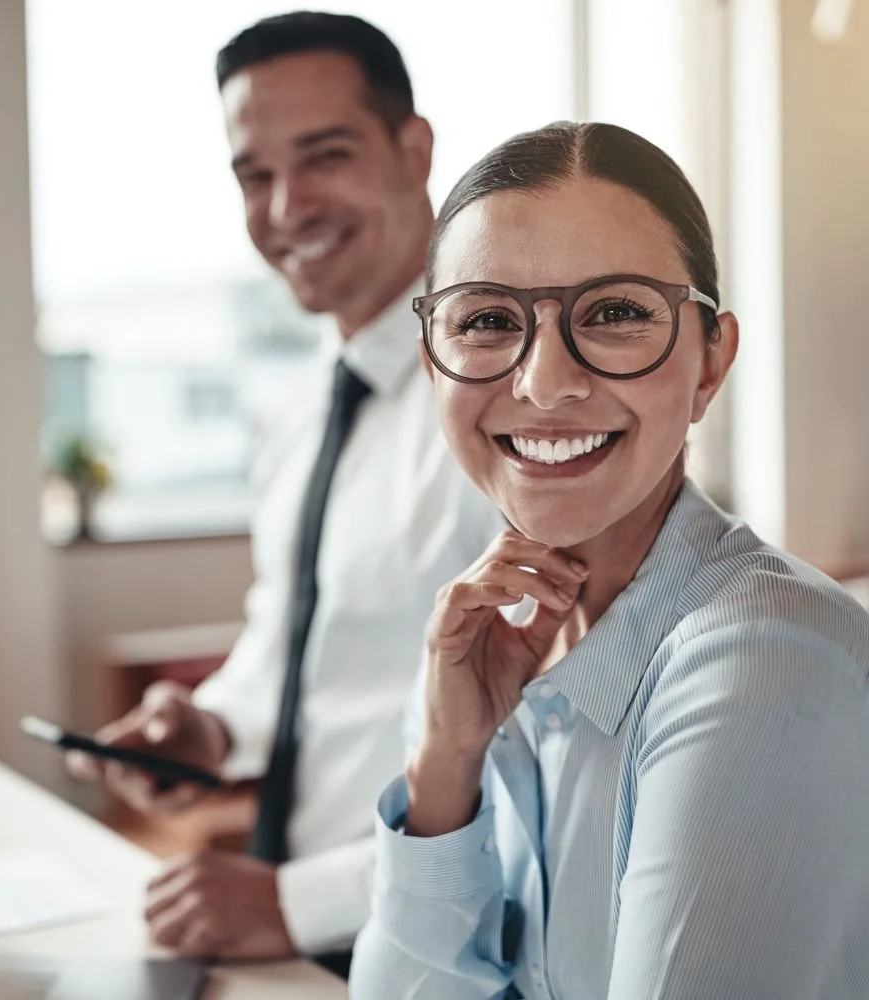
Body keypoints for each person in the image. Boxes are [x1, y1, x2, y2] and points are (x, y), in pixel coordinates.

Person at [349, 122, 869, 999]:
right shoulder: (476, 647)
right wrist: (444, 765)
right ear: (433, 367)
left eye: (617, 312)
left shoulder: (766, 660)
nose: (545, 381)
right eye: (485, 320)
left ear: (711, 362)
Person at [68, 11, 501, 978]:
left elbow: (544, 758)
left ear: (413, 149)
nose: (285, 207)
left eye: (325, 156)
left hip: (435, 944)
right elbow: (293, 646)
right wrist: (210, 729)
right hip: (281, 939)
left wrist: (299, 902)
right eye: (253, 176)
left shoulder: (508, 407)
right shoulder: (301, 408)